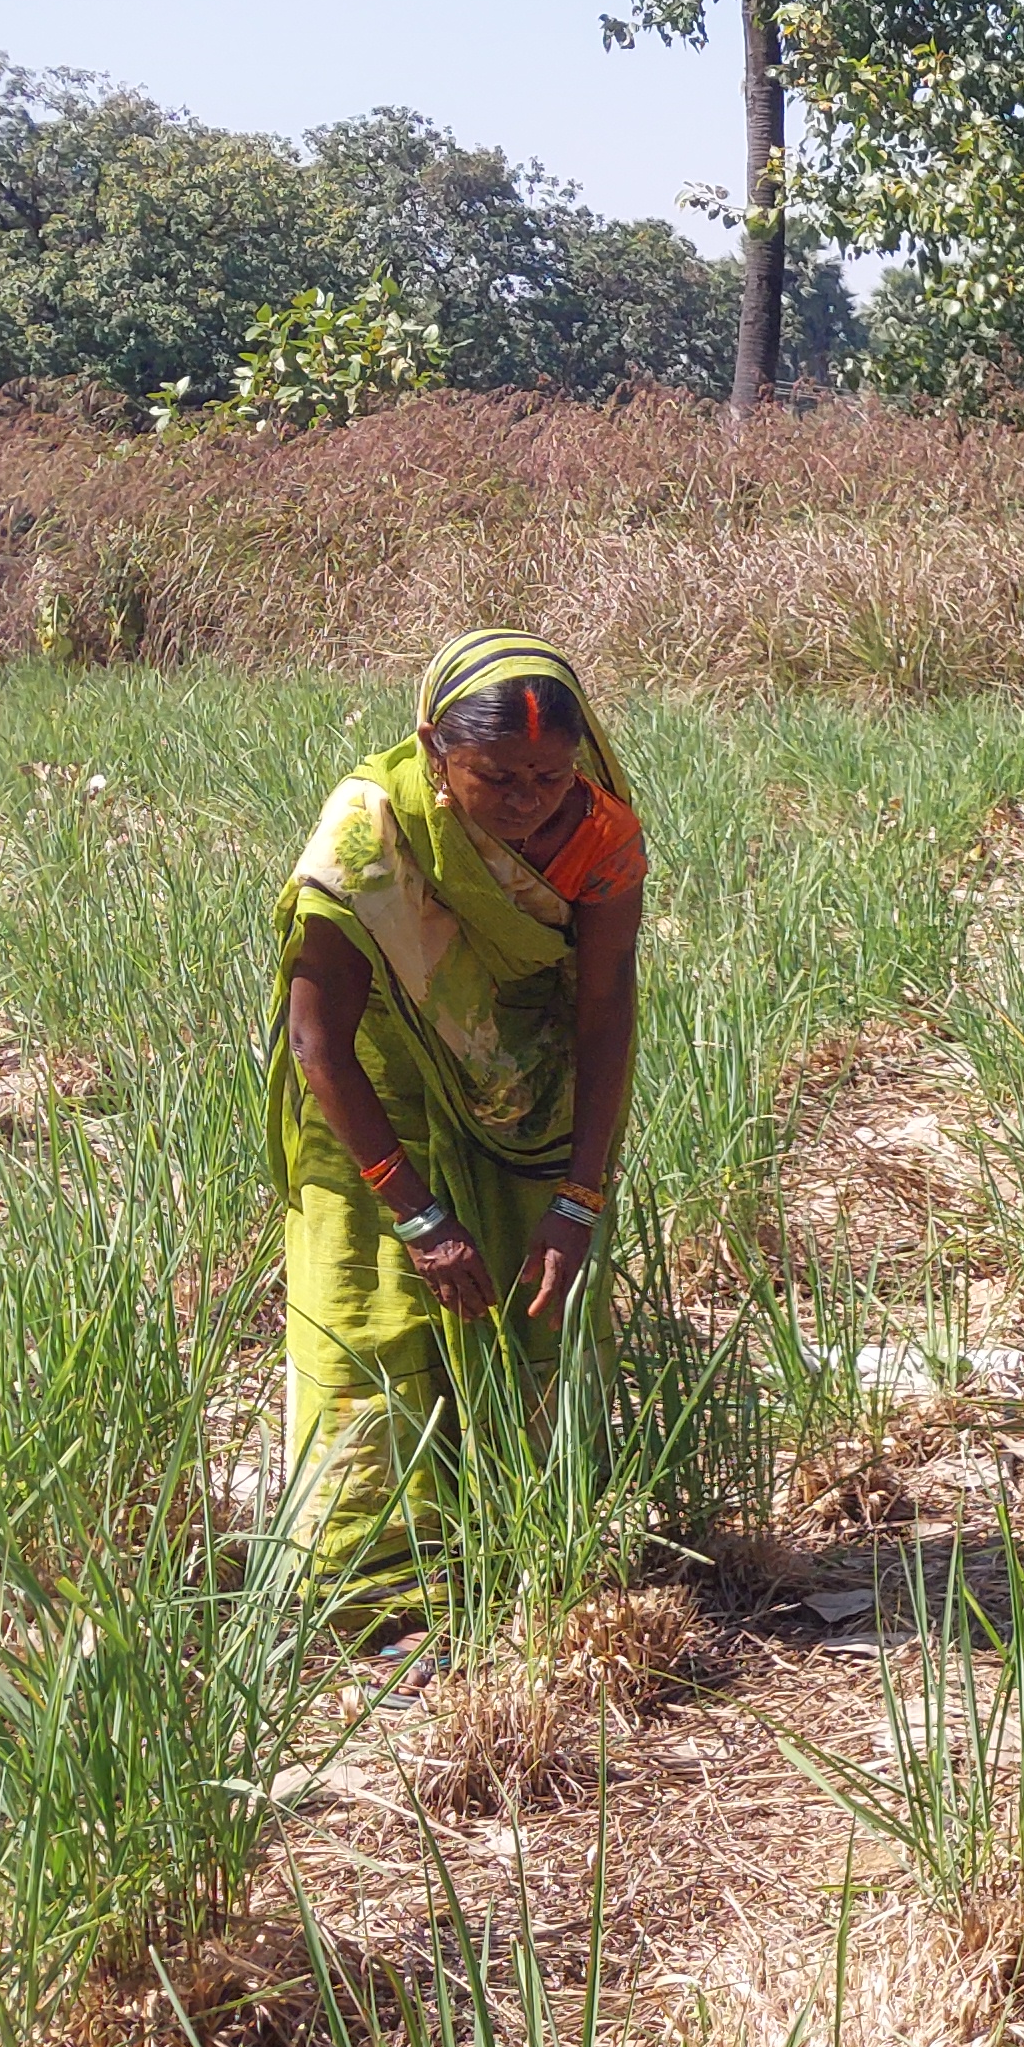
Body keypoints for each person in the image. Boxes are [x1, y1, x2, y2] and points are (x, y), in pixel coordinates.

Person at [272, 630, 644, 1629]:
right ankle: (377, 1602)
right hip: (375, 1101)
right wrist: (417, 1214)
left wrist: (579, 1195)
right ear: (435, 750)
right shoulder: (369, 836)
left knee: (533, 1321)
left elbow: (605, 1010)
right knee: (374, 1331)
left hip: (527, 1105)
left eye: (549, 776)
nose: (526, 802)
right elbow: (319, 1042)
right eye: (495, 777)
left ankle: (519, 1564)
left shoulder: (599, 838)